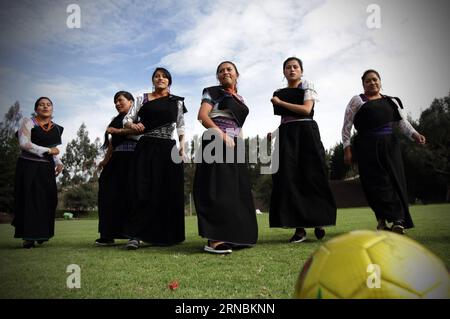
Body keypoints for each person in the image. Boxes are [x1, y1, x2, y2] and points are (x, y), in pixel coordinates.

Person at [342, 69, 426, 234]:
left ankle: (398, 221)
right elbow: (347, 125)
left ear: (380, 82)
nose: (372, 83)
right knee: (375, 183)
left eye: (375, 80)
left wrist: (415, 134)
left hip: (390, 145)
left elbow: (402, 122)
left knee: (394, 180)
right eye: (368, 81)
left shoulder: (391, 101)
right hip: (366, 146)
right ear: (363, 84)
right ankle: (381, 220)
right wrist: (347, 148)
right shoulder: (357, 101)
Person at [269, 57, 336, 243]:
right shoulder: (278, 92)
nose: (292, 70)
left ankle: (319, 220)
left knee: (313, 175)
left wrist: (280, 103)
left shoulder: (307, 85)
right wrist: (274, 133)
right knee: (289, 178)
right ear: (284, 72)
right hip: (287, 135)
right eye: (288, 67)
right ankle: (299, 230)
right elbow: (287, 119)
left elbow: (306, 110)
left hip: (307, 133)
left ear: (301, 70)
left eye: (295, 67)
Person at [194, 61, 258, 254]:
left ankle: (236, 236)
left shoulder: (240, 98)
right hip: (215, 141)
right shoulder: (212, 92)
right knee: (216, 189)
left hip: (235, 145)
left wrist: (240, 145)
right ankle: (214, 239)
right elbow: (203, 116)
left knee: (235, 191)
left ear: (237, 74)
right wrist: (221, 135)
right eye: (221, 71)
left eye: (229, 69)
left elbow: (239, 125)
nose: (225, 72)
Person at [123, 67, 187, 249]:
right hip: (146, 146)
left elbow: (181, 126)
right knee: (141, 189)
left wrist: (182, 145)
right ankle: (135, 235)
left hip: (168, 147)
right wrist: (132, 125)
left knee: (167, 190)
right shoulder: (141, 98)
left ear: (169, 81)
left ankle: (165, 235)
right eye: (157, 76)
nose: (160, 79)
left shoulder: (177, 102)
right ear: (153, 80)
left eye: (164, 77)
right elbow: (127, 119)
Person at [12, 97, 64, 248]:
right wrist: (48, 150)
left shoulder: (56, 128)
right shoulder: (28, 123)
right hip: (28, 167)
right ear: (36, 109)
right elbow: (24, 144)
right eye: (41, 105)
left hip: (46, 169)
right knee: (30, 200)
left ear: (52, 109)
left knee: (48, 200)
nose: (45, 107)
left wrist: (58, 162)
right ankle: (29, 236)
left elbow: (53, 151)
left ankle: (42, 233)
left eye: (48, 105)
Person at [95, 91, 139, 246]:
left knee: (131, 195)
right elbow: (113, 143)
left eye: (120, 100)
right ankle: (108, 234)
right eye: (115, 101)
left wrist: (117, 131)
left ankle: (133, 234)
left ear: (131, 102)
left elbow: (139, 130)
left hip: (133, 158)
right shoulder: (115, 119)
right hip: (116, 160)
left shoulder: (138, 116)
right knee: (107, 192)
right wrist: (105, 161)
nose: (117, 104)